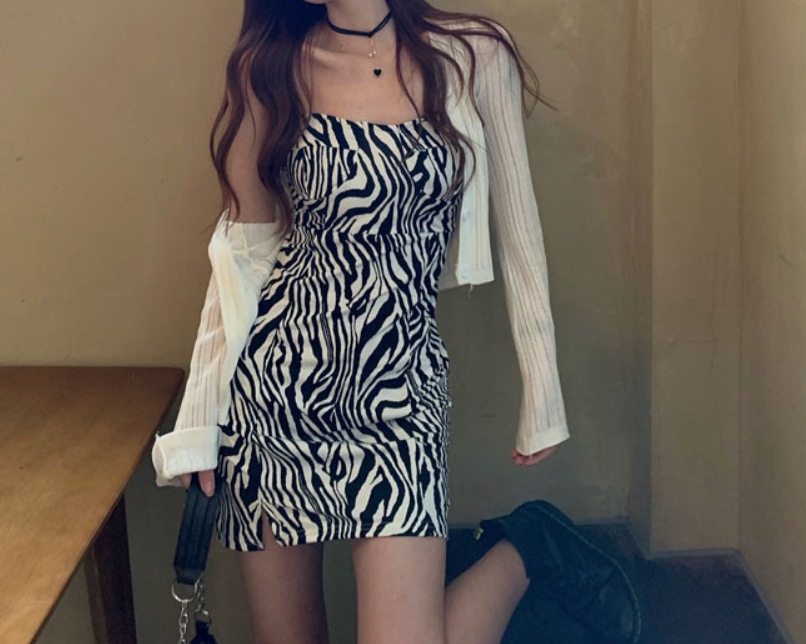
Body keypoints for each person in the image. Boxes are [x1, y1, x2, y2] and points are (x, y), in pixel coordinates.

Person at [152, 1, 639, 642]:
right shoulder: (268, 66)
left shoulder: (473, 55)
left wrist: (541, 386)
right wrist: (199, 421)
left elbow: (520, 231)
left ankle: (528, 546)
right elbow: (241, 255)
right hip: (276, 395)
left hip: (400, 394)